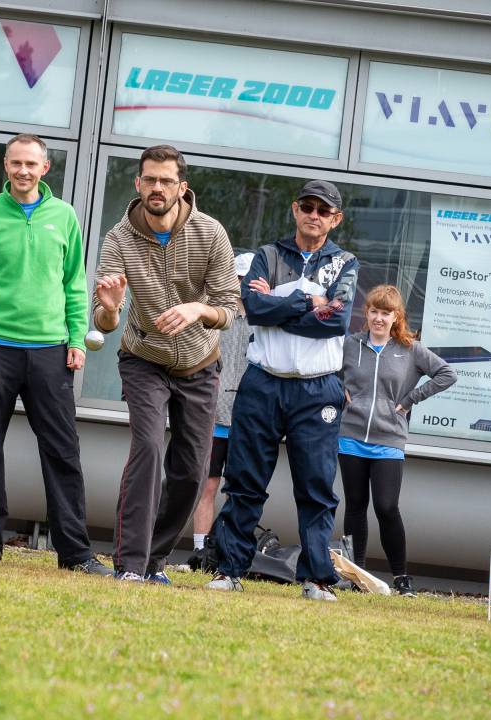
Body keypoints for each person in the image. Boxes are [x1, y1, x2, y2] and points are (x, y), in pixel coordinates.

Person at [0, 134, 110, 575]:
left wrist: (77, 339)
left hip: (49, 351)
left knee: (63, 451)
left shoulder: (64, 216)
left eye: (31, 164)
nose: (23, 171)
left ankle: (75, 553)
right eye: (16, 162)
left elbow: (74, 285)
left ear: (46, 169)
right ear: (5, 165)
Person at [93, 144, 241, 583]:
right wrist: (111, 309)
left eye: (166, 181)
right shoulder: (118, 238)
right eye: (149, 180)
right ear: (138, 184)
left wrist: (197, 309)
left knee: (193, 469)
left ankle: (155, 560)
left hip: (200, 363)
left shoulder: (211, 233)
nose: (157, 188)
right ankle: (130, 565)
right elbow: (104, 320)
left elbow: (230, 306)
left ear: (182, 187)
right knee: (149, 448)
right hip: (143, 359)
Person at [208, 180, 359, 601]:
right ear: (295, 210)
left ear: (336, 219)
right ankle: (228, 569)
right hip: (263, 383)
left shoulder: (345, 262)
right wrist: (310, 302)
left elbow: (337, 321)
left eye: (323, 211)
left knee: (315, 487)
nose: (314, 215)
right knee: (244, 480)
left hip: (318, 388)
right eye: (307, 207)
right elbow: (253, 309)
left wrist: (279, 301)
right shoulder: (267, 256)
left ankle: (316, 578)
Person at [338, 284, 456, 597]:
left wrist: (410, 399)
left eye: (385, 313)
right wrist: (339, 392)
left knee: (387, 507)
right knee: (355, 506)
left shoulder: (409, 349)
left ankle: (401, 578)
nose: (379, 318)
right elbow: (325, 369)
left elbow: (446, 374)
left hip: (389, 439)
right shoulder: (350, 345)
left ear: (396, 316)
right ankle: (357, 575)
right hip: (350, 437)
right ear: (367, 313)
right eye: (374, 311)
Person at [188, 252, 255, 571]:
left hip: (249, 420)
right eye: (238, 278)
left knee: (241, 489)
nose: (242, 285)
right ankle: (201, 550)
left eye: (247, 279)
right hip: (214, 417)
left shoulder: (265, 319)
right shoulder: (217, 315)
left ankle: (225, 548)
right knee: (208, 485)